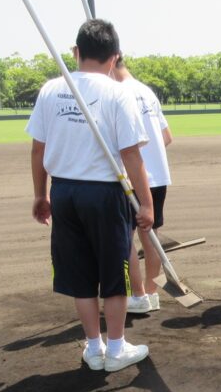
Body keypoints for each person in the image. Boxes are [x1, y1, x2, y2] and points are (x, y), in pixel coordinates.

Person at [26, 19, 154, 372]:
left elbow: (38, 150)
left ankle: (93, 347)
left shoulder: (51, 90)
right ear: (114, 58)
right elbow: (132, 154)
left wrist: (41, 194)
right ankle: (115, 349)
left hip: (64, 192)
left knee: (80, 275)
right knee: (115, 273)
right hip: (105, 192)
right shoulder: (118, 93)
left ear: (76, 52)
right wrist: (146, 202)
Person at [110, 55, 174, 314]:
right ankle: (151, 293)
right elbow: (167, 137)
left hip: (133, 177)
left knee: (124, 238)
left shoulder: (116, 94)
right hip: (158, 175)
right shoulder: (147, 92)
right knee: (151, 234)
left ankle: (138, 296)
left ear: (111, 64)